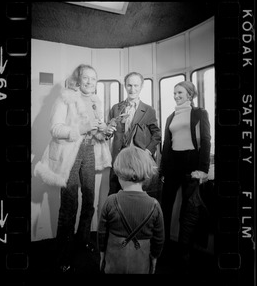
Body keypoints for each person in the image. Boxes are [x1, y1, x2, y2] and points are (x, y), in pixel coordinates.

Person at [34, 64, 112, 272]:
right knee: (69, 205)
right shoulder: (65, 98)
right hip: (69, 154)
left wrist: (106, 131)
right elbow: (55, 128)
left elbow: (96, 132)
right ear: (78, 79)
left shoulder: (96, 101)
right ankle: (63, 255)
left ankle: (82, 243)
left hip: (89, 151)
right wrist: (81, 128)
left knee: (89, 202)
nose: (89, 82)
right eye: (85, 78)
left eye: (93, 79)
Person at [159, 81, 211, 270]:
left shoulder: (199, 113)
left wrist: (203, 170)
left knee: (187, 214)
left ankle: (184, 253)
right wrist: (163, 171)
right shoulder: (171, 116)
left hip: (191, 164)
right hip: (172, 165)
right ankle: (162, 249)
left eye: (179, 92)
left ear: (189, 94)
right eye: (174, 93)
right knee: (165, 208)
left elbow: (206, 140)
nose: (176, 96)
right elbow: (166, 145)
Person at [97, 146, 165, 274]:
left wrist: (101, 252)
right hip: (141, 264)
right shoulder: (155, 206)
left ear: (120, 172)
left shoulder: (110, 201)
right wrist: (154, 257)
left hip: (114, 263)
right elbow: (159, 239)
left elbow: (101, 232)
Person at [106, 72, 161, 195]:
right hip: (119, 159)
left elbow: (157, 135)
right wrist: (108, 131)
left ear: (141, 86)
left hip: (139, 160)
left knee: (140, 195)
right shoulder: (116, 108)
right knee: (115, 193)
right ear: (125, 86)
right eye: (129, 85)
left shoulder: (149, 110)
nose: (133, 89)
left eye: (136, 85)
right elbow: (107, 135)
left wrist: (147, 152)